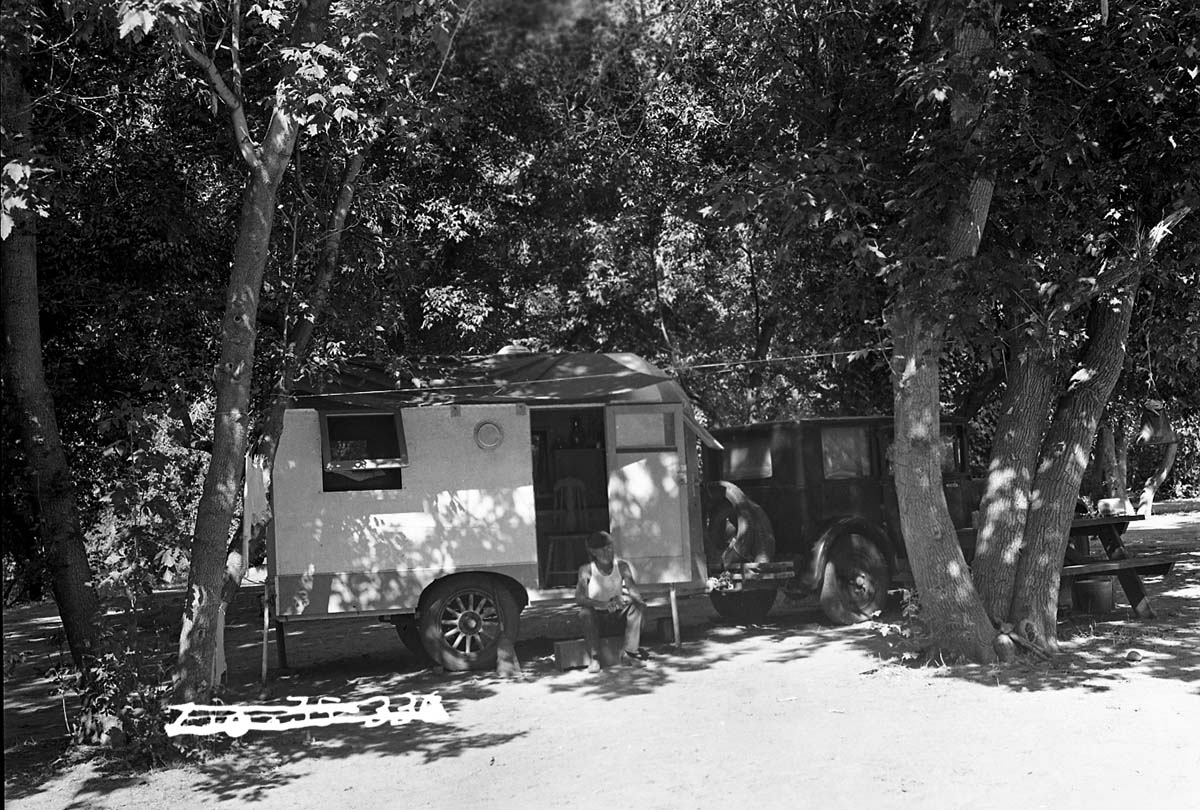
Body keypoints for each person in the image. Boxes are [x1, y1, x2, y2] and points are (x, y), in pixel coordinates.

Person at [575, 531, 650, 672]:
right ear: (593, 552)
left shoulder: (621, 566)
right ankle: (595, 658)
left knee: (637, 607)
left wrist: (634, 600)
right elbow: (579, 598)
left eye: (610, 548)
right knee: (584, 613)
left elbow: (633, 590)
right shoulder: (586, 569)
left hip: (617, 615)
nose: (608, 552)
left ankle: (630, 653)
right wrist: (602, 604)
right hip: (598, 618)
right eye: (603, 549)